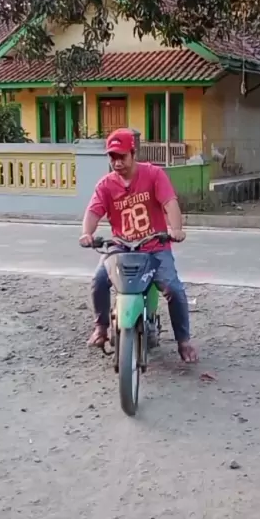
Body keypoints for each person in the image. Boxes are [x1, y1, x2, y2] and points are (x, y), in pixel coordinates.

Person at [79, 129, 198, 363]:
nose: (117, 162)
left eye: (122, 156)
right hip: (121, 247)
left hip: (154, 246)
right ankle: (101, 327)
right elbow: (93, 212)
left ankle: (183, 342)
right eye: (112, 157)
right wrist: (87, 233)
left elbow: (170, 203)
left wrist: (175, 229)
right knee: (99, 280)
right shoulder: (105, 185)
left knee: (174, 289)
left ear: (133, 154)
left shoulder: (153, 174)